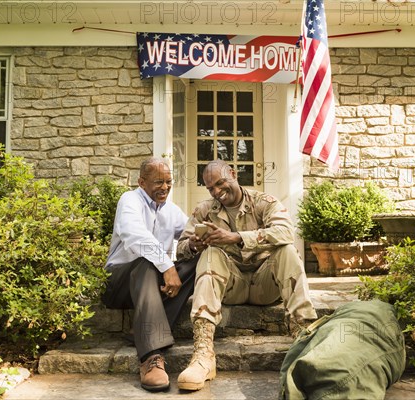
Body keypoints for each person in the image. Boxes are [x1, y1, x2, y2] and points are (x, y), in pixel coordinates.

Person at [174, 160, 318, 391]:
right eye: (211, 188)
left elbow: (286, 232)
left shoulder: (264, 202)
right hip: (231, 286)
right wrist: (192, 245)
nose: (217, 192)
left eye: (221, 183)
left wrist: (237, 237)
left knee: (287, 250)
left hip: (266, 284)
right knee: (210, 253)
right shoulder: (204, 210)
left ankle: (304, 335)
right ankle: (203, 354)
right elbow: (179, 249)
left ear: (233, 174)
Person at [101, 157, 198, 392]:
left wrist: (198, 240)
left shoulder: (171, 210)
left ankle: (141, 330)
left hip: (150, 287)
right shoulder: (130, 200)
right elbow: (134, 236)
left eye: (168, 182)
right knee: (146, 261)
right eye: (158, 182)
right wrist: (167, 267)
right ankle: (150, 356)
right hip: (118, 283)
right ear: (141, 182)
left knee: (196, 261)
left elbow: (188, 233)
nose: (164, 187)